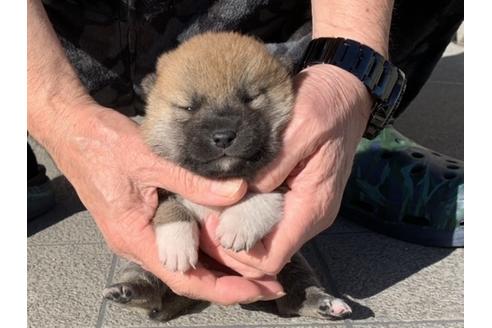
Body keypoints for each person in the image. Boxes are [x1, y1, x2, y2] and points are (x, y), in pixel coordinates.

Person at [27, 0, 463, 304]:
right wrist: (61, 118)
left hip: (278, 28)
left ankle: (355, 135)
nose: (221, 135)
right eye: (186, 110)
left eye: (252, 101)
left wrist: (345, 80)